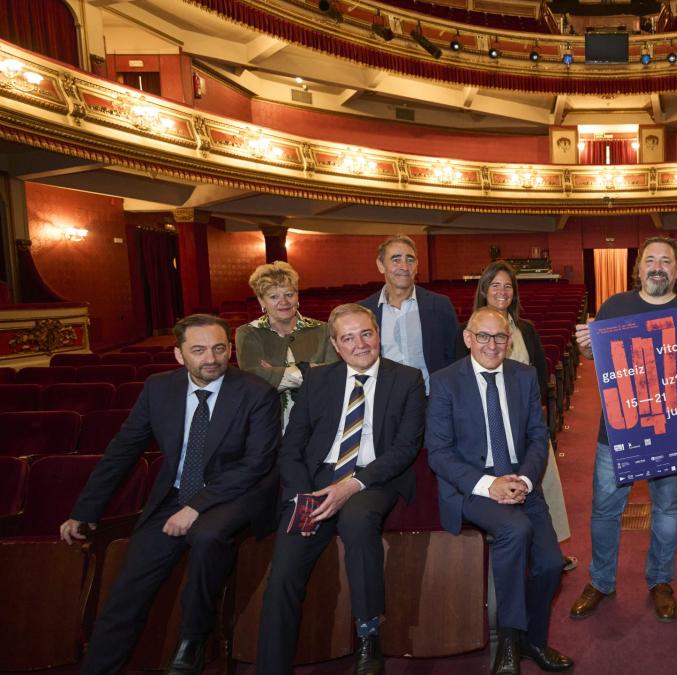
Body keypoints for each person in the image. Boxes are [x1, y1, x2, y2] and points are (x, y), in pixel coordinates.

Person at [61, 314, 280, 675]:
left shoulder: (257, 393)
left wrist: (197, 506)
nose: (211, 358)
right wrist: (86, 510)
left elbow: (255, 465)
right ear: (179, 355)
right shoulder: (158, 388)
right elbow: (122, 452)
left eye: (219, 348)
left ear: (230, 348)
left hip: (235, 493)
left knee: (207, 536)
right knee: (129, 587)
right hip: (174, 497)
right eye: (198, 350)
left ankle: (192, 640)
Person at [256, 304, 426, 675]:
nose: (359, 344)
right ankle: (272, 666)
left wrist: (351, 485)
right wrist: (304, 494)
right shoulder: (318, 381)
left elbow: (404, 449)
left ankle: (368, 635)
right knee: (284, 570)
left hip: (373, 476)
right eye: (348, 337)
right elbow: (292, 445)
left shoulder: (407, 379)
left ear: (378, 334)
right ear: (335, 344)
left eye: (366, 333)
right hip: (315, 482)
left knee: (357, 519)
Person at [569, 236, 677, 623]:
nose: (657, 267)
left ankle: (660, 581)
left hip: (674, 432)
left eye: (666, 261)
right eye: (650, 260)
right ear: (638, 268)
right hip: (619, 432)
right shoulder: (615, 306)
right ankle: (601, 581)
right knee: (606, 510)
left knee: (667, 509)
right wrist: (587, 345)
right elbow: (598, 360)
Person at [427, 307, 574, 675]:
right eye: (483, 336)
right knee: (515, 529)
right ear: (467, 338)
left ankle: (532, 640)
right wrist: (489, 485)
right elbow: (439, 453)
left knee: (552, 564)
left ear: (510, 340)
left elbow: (539, 437)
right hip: (471, 485)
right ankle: (509, 640)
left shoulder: (524, 376)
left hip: (520, 480)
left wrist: (524, 480)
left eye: (500, 337)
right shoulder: (445, 381)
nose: (492, 345)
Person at [456, 261, 574, 566]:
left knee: (542, 490)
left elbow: (541, 375)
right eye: (494, 285)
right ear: (483, 290)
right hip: (489, 432)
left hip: (525, 429)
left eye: (508, 286)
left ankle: (550, 552)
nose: (502, 291)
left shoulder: (526, 330)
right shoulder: (472, 331)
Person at [235, 261, 340, 427]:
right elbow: (254, 381)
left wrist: (274, 373)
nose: (283, 302)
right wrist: (310, 370)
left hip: (317, 419)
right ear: (261, 301)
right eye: (274, 297)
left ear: (297, 296)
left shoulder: (323, 329)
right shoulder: (248, 333)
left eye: (289, 294)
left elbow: (333, 376)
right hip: (267, 423)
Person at [358, 235, 458, 391]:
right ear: (381, 265)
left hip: (431, 400)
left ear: (417, 265)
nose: (404, 266)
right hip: (385, 400)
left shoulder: (439, 305)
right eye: (396, 259)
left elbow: (454, 356)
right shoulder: (364, 310)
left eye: (410, 260)